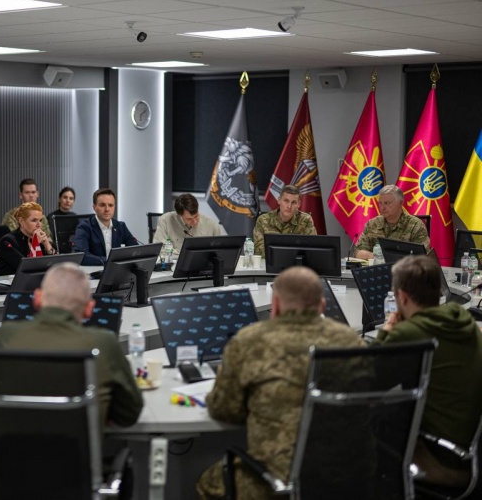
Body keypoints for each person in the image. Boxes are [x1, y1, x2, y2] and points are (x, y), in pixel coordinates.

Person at [197, 266, 365, 500]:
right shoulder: (350, 340)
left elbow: (224, 410)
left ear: (275, 305)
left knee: (208, 482)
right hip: (347, 474)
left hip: (276, 479)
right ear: (322, 306)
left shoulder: (249, 341)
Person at [0, 262, 143, 426]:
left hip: (13, 442)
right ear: (89, 308)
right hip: (83, 442)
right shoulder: (103, 343)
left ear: (37, 299)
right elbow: (129, 413)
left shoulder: (6, 335)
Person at [375, 255, 482, 488]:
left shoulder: (411, 333)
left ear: (402, 297)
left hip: (439, 460)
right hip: (467, 454)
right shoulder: (464, 322)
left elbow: (366, 380)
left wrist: (387, 330)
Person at [355, 185, 430, 260]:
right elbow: (358, 252)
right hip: (377, 266)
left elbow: (422, 258)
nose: (383, 207)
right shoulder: (372, 224)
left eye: (387, 203)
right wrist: (378, 257)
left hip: (404, 267)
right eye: (380, 203)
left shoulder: (416, 225)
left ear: (400, 203)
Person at [74, 188, 138, 266]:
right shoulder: (84, 227)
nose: (107, 209)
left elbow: (136, 250)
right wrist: (110, 260)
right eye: (102, 205)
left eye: (110, 205)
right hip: (95, 271)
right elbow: (82, 256)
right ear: (94, 207)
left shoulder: (121, 226)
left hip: (117, 269)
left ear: (114, 207)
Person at [252, 185, 316, 256]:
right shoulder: (263, 220)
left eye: (293, 202)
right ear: (279, 200)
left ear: (299, 204)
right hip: (270, 262)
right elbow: (259, 252)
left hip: (296, 263)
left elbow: (312, 250)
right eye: (286, 201)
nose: (289, 206)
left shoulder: (305, 220)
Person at [0, 202, 54, 276]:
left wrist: (47, 244)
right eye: (34, 220)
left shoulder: (39, 239)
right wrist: (35, 244)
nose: (39, 225)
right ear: (21, 221)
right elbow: (27, 268)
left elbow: (56, 265)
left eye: (40, 220)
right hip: (8, 282)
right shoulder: (7, 241)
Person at [152, 193, 226, 254]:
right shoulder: (166, 220)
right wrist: (184, 254)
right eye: (189, 219)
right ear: (179, 215)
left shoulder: (212, 225)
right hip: (175, 264)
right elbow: (160, 249)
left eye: (196, 216)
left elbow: (220, 252)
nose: (195, 221)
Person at [1, 178, 53, 242]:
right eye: (27, 192)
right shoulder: (11, 216)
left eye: (33, 192)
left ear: (37, 194)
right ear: (21, 195)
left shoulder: (42, 217)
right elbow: (9, 240)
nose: (31, 195)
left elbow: (48, 239)